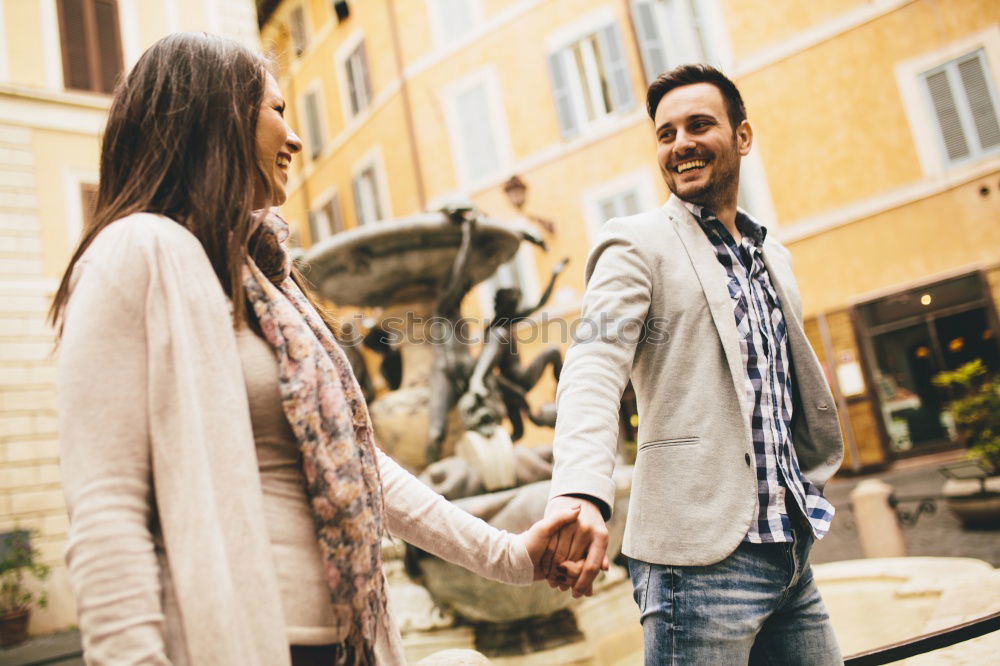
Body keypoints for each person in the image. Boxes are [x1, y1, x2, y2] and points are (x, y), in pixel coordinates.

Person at [51, 33, 581, 666]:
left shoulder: (264, 281)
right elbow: (107, 512)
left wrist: (511, 555)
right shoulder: (135, 251)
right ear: (216, 117)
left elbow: (360, 466)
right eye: (277, 111)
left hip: (343, 642)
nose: (296, 139)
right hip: (240, 644)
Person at [540, 64, 845, 664]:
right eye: (666, 133)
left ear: (743, 137)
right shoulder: (636, 243)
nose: (680, 143)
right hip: (697, 567)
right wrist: (580, 490)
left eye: (699, 125)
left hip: (790, 555)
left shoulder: (772, 256)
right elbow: (594, 366)